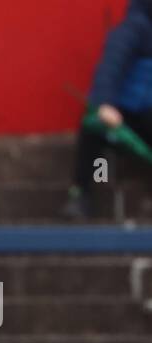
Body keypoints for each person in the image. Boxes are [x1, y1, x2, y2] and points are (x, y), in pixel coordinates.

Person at [65, 0, 152, 219]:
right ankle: (81, 192)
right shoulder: (135, 29)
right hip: (124, 114)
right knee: (94, 134)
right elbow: (111, 67)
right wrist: (105, 103)